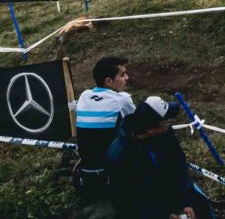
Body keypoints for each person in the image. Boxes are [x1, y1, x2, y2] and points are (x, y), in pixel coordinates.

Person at [107, 96, 216, 219]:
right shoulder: (119, 154)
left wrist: (186, 202)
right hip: (144, 208)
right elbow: (126, 200)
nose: (168, 123)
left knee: (202, 205)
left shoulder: (165, 134)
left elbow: (178, 167)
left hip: (168, 192)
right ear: (150, 130)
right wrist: (164, 215)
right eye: (166, 120)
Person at [74, 56, 135, 199]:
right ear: (108, 81)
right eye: (122, 74)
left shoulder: (84, 96)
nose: (127, 77)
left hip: (86, 174)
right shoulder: (122, 99)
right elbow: (138, 124)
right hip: (112, 174)